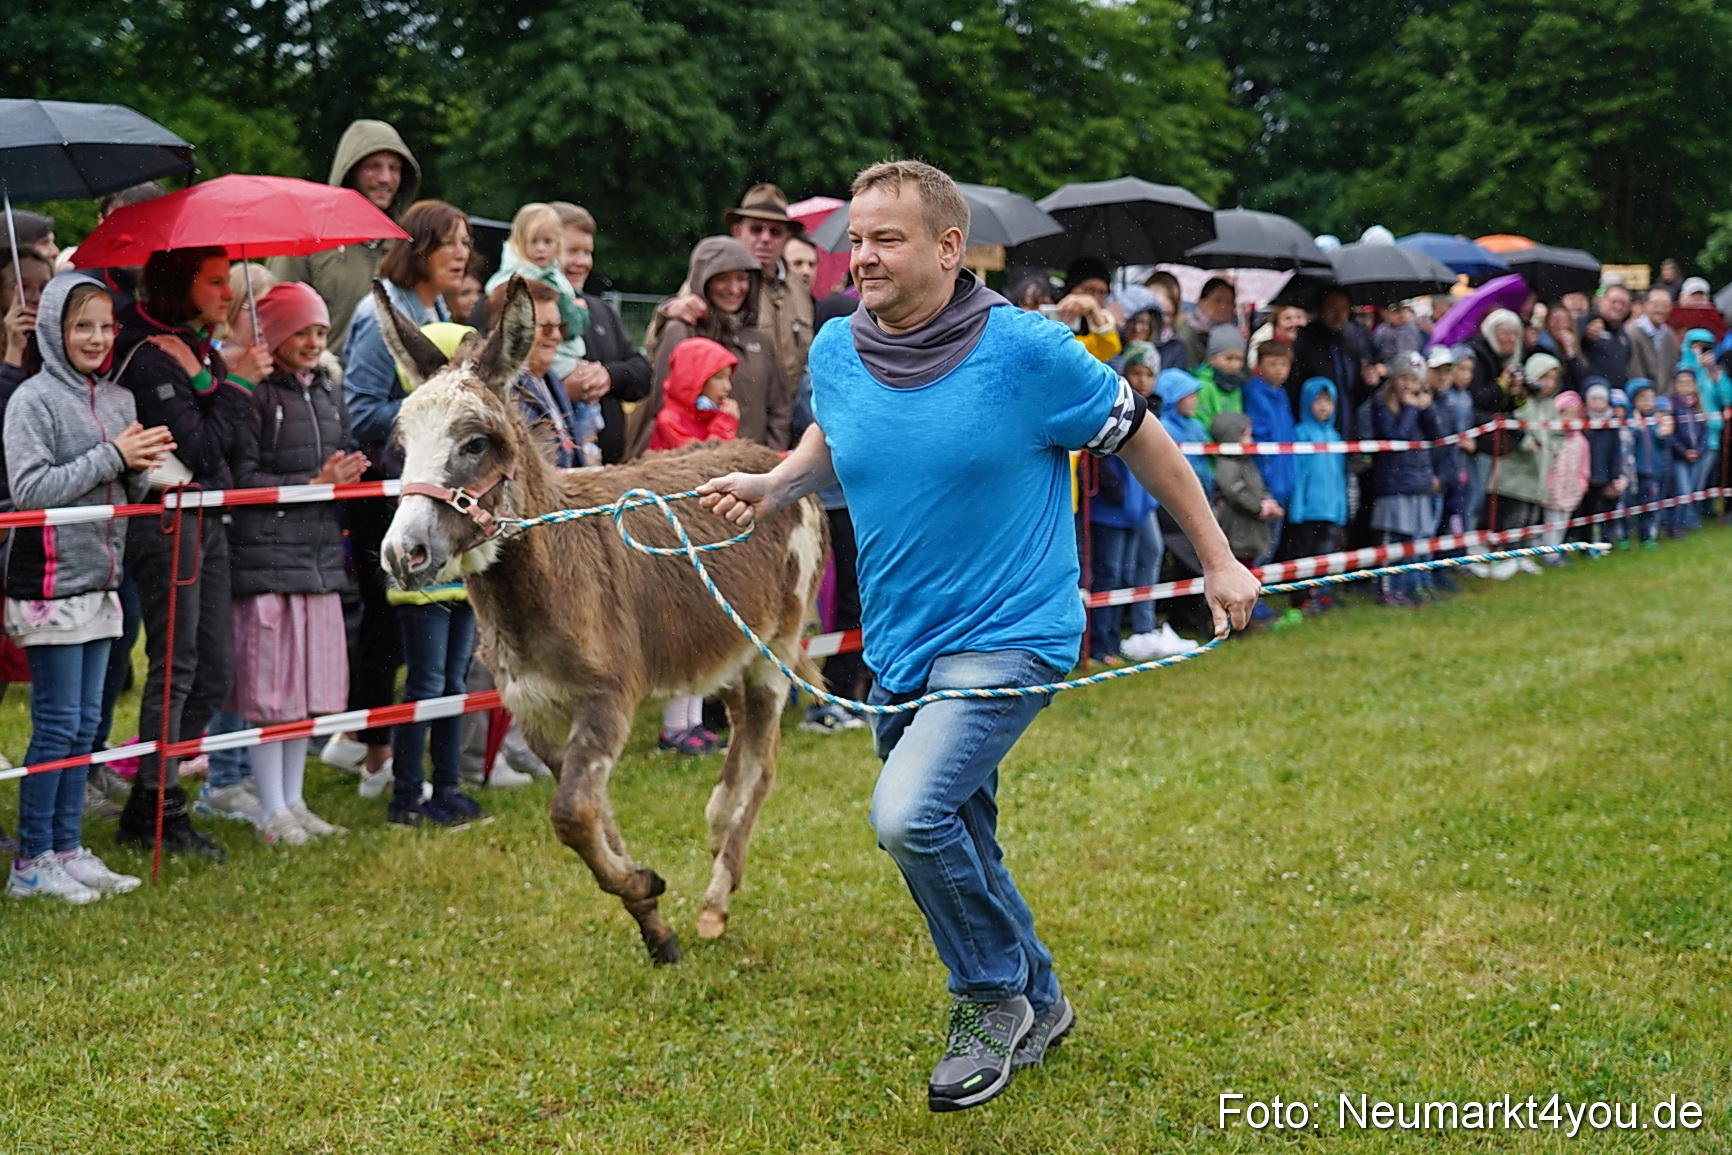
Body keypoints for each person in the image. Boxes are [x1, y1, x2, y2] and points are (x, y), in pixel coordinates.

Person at [697, 160, 1259, 1112]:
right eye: (858, 240)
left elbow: (1148, 441)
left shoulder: (1029, 351)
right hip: (902, 644)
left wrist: (1218, 559)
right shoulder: (838, 345)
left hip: (1012, 632)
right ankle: (1042, 995)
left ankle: (989, 998)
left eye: (888, 239)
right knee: (960, 830)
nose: (863, 257)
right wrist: (776, 483)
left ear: (949, 248)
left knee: (908, 813)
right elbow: (838, 436)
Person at [4, 274, 172, 901]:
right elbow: (30, 492)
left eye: (106, 325)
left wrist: (145, 470)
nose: (98, 338)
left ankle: (68, 848)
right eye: (82, 326)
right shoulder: (32, 401)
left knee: (84, 727)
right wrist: (114, 456)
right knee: (55, 724)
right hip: (49, 580)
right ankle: (31, 861)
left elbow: (120, 491)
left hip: (106, 578)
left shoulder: (123, 401)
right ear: (53, 329)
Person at [112, 246, 272, 860]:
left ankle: (151, 796)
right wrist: (236, 383)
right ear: (182, 286)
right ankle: (157, 809)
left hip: (206, 518)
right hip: (167, 523)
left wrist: (214, 376)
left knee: (214, 671)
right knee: (176, 667)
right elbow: (206, 448)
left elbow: (219, 441)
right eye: (214, 283)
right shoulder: (148, 353)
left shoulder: (186, 344)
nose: (227, 294)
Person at [226, 283, 366, 844]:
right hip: (266, 562)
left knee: (303, 693)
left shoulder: (328, 390)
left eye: (319, 331)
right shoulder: (256, 396)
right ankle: (270, 810)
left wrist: (343, 477)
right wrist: (313, 485)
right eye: (299, 331)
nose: (312, 341)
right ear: (276, 335)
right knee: (271, 696)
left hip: (317, 558)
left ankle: (295, 801)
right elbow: (243, 477)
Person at [338, 200, 469, 788]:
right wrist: (438, 412)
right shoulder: (379, 315)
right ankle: (373, 753)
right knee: (389, 630)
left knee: (430, 652)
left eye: (467, 243)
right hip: (381, 489)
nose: (463, 254)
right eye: (451, 242)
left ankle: (392, 755)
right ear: (420, 247)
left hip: (430, 491)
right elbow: (361, 410)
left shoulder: (437, 308)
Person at [268, 119, 420, 354]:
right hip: (320, 382)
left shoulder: (406, 246)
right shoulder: (307, 237)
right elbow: (275, 318)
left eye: (395, 168)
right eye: (373, 166)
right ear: (350, 171)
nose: (385, 178)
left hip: (391, 384)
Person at [639, 236, 791, 456]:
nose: (734, 288)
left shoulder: (760, 339)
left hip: (752, 467)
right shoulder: (681, 331)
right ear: (704, 281)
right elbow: (663, 406)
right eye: (723, 279)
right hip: (691, 467)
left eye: (742, 278)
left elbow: (780, 409)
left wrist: (768, 460)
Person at [547, 202, 653, 465]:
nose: (582, 262)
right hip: (549, 474)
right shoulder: (517, 310)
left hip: (608, 471)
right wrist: (560, 391)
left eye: (587, 252)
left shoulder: (601, 310)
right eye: (571, 252)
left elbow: (642, 375)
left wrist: (608, 376)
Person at [483, 203, 591, 389]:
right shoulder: (533, 282)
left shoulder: (554, 277)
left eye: (547, 242)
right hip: (548, 364)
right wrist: (579, 312)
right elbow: (572, 327)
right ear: (518, 243)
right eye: (533, 241)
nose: (541, 248)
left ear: (559, 244)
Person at [1369, 353, 1441, 606]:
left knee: (1412, 542)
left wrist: (1427, 407)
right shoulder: (1381, 404)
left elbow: (1438, 434)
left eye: (1414, 379)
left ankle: (1406, 589)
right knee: (1393, 541)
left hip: (1417, 479)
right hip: (1394, 483)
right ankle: (1385, 589)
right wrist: (1410, 407)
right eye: (1404, 378)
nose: (1409, 385)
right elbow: (1397, 437)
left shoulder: (1418, 406)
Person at [1281, 378, 1349, 612]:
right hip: (1308, 509)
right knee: (1303, 554)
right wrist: (1297, 507)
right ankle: (1300, 597)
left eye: (1328, 402)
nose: (1323, 407)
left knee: (1325, 554)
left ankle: (1321, 593)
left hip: (1329, 508)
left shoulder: (1335, 437)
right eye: (1318, 401)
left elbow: (1339, 476)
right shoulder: (1300, 433)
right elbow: (1297, 474)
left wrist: (1341, 508)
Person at [1464, 309, 1525, 530]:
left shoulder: (1504, 360)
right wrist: (1501, 384)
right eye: (1504, 332)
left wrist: (1515, 394)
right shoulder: (1477, 354)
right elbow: (1477, 398)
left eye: (1514, 334)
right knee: (1469, 498)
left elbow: (1502, 405)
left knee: (1480, 498)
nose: (1509, 338)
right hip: (1474, 438)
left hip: (1490, 439)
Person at [1241, 339, 1297, 560]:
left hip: (1282, 478)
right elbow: (1259, 439)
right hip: (1264, 479)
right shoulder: (1254, 393)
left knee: (1271, 544)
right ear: (1259, 364)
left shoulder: (1282, 395)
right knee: (1258, 544)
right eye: (1273, 364)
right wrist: (1263, 478)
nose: (1279, 370)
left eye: (1284, 364)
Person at [1209, 411, 1279, 570]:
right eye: (1246, 436)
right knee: (1240, 567)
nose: (1251, 440)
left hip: (1250, 528)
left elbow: (1259, 486)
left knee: (1251, 565)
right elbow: (1235, 492)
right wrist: (1259, 507)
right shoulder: (1227, 465)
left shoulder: (1247, 462)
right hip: (1237, 529)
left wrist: (1267, 502)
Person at [1291, 288, 1362, 427]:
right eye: (1332, 308)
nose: (1338, 314)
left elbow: (1353, 393)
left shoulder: (1349, 344)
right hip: (1314, 432)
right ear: (1319, 310)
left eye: (1344, 308)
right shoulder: (1304, 345)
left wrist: (1369, 382)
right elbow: (1295, 390)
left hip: (1345, 429)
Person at [1576, 380, 1625, 545]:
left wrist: (1615, 475)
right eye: (1593, 399)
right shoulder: (1582, 422)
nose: (1597, 404)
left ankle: (1605, 541)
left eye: (1601, 399)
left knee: (1605, 510)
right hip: (1585, 476)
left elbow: (1616, 452)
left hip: (1604, 474)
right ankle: (1584, 542)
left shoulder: (1611, 424)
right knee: (1585, 512)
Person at [1542, 390, 1590, 560]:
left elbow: (1584, 466)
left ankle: (1558, 551)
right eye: (1565, 413)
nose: (1569, 418)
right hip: (1553, 487)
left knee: (1562, 522)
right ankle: (1550, 555)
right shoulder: (1552, 437)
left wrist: (1581, 484)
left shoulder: (1581, 441)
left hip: (1571, 488)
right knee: (1551, 522)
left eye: (1573, 414)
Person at [1055, 258, 1122, 363]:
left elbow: (1109, 349)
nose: (1094, 297)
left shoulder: (1101, 319)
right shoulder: (1051, 313)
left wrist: (1095, 310)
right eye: (1089, 289)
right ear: (1072, 287)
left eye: (1101, 292)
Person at [1626, 380, 1666, 549]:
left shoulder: (1655, 421)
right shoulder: (1629, 421)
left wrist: (1663, 435)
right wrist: (1635, 429)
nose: (1648, 402)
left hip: (1652, 471)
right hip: (1634, 472)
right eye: (1643, 398)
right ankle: (1625, 536)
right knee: (1629, 505)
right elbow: (1627, 443)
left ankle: (1646, 536)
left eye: (1650, 398)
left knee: (1649, 505)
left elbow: (1662, 446)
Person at [1666, 368, 1704, 534]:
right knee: (1683, 490)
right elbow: (1671, 434)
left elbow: (1705, 431)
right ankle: (1675, 525)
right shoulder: (1672, 405)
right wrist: (1684, 451)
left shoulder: (1697, 405)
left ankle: (1683, 522)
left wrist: (1699, 450)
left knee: (1691, 490)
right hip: (1679, 457)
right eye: (1681, 382)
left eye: (1688, 382)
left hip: (1696, 455)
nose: (1684, 386)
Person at [1192, 325, 1248, 433]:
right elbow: (1202, 423)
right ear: (1212, 358)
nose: (1235, 364)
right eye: (1229, 358)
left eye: (1239, 359)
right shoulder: (1203, 386)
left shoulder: (1236, 386)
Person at [1176, 276, 1236, 367]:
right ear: (1201, 301)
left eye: (1229, 302)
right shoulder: (1187, 332)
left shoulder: (1232, 336)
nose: (1223, 307)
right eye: (1218, 300)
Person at [1581, 283, 1632, 387]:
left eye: (1623, 303)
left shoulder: (1624, 334)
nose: (1618, 307)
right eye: (1614, 302)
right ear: (1602, 301)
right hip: (1591, 393)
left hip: (1616, 396)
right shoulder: (1587, 322)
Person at [1626, 288, 1680, 387]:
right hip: (1641, 396)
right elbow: (1635, 369)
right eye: (1656, 305)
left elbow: (1673, 368)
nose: (1661, 310)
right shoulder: (1633, 333)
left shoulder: (1669, 334)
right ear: (1645, 305)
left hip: (1665, 399)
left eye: (1665, 305)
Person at [1372, 299, 1424, 367]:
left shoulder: (1415, 327)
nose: (1401, 315)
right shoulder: (1381, 332)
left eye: (1403, 310)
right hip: (1389, 370)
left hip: (1413, 368)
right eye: (1396, 312)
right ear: (1385, 313)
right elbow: (1376, 356)